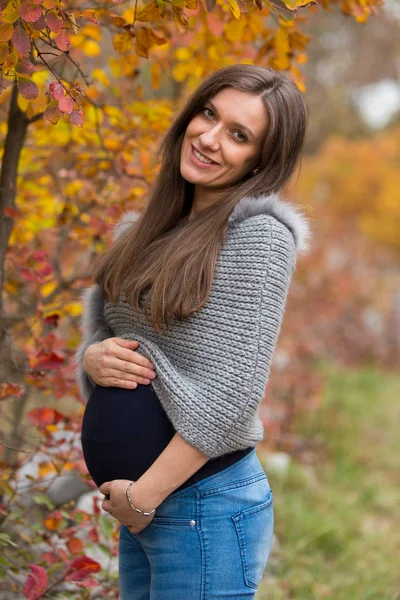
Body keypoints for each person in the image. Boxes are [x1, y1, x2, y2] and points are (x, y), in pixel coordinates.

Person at [74, 64, 312, 599]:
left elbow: (233, 397)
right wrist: (93, 359)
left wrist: (142, 498)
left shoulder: (259, 238)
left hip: (203, 505)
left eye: (239, 134)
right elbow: (111, 333)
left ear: (261, 161)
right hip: (146, 507)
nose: (208, 138)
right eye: (209, 113)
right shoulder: (147, 231)